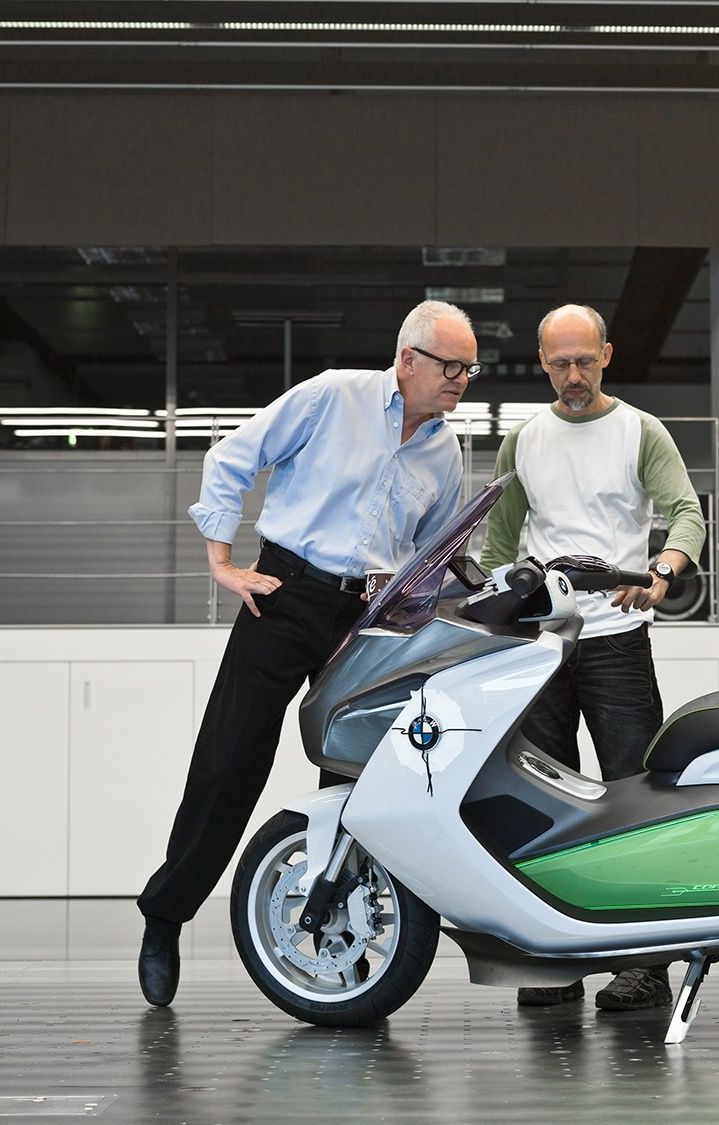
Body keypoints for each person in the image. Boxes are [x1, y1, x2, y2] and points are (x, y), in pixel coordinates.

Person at [136, 300, 479, 1007]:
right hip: (284, 592)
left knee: (353, 783)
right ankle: (164, 916)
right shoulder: (332, 396)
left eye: (470, 368)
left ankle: (344, 957)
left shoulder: (445, 450)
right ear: (408, 358)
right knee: (229, 761)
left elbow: (439, 551)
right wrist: (223, 561)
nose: (462, 380)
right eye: (452, 366)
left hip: (365, 617)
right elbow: (233, 456)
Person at [480, 303, 706, 1012]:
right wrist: (488, 620)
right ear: (542, 361)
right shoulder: (523, 439)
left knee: (634, 801)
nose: (573, 376)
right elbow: (497, 541)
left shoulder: (641, 430)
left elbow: (686, 513)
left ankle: (647, 966)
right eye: (559, 363)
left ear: (607, 354)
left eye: (585, 360)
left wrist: (664, 571)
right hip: (540, 645)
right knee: (542, 804)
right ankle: (558, 957)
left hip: (616, 639)